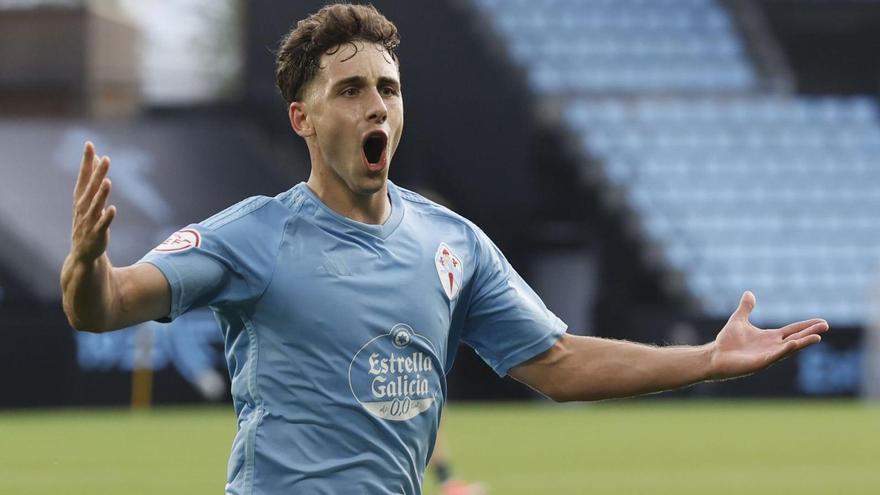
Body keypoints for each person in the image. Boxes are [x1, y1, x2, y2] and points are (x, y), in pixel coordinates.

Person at [60, 4, 829, 494]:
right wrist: (89, 263)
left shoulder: (451, 242)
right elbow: (108, 306)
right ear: (302, 119)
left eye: (388, 88)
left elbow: (557, 364)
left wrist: (706, 358)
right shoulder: (252, 235)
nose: (377, 105)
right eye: (351, 89)